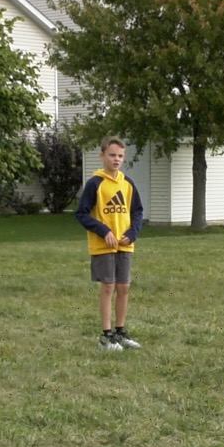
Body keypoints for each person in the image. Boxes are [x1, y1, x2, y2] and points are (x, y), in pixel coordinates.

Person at [75, 137, 145, 351]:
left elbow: (137, 212)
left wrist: (132, 233)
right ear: (102, 156)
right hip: (103, 245)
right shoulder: (95, 183)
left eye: (120, 156)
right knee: (108, 286)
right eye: (112, 155)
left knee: (123, 287)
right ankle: (105, 336)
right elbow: (81, 213)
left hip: (124, 245)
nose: (116, 159)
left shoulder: (127, 183)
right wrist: (103, 230)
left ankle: (120, 331)